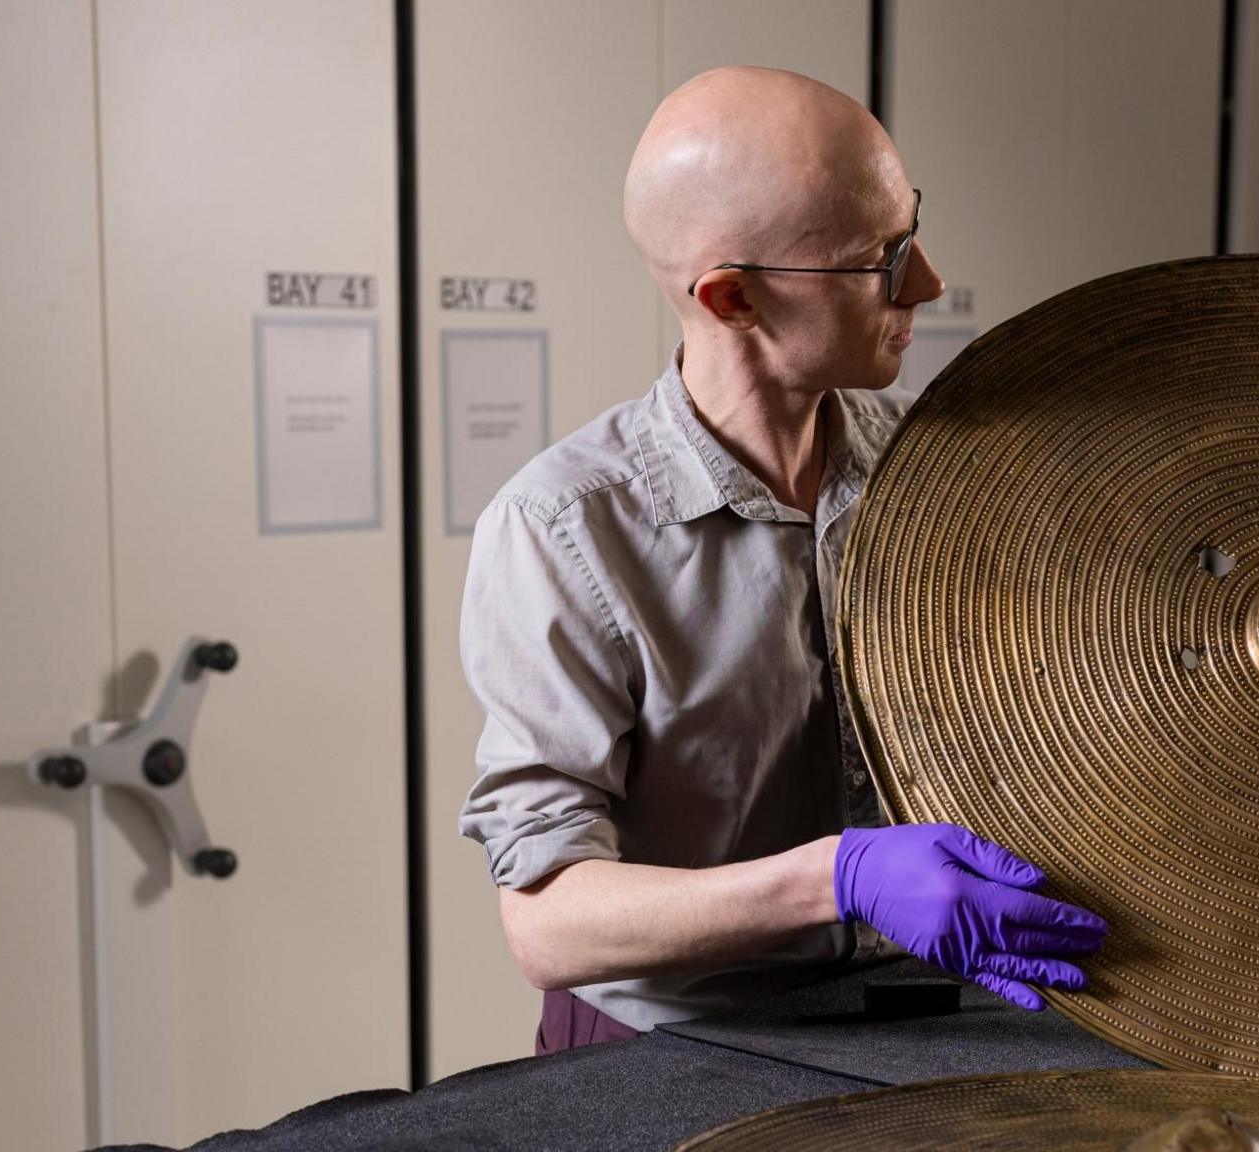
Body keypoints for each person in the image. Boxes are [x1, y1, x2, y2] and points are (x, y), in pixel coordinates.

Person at [458, 66, 1108, 1055]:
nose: (927, 285)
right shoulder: (563, 529)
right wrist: (836, 877)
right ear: (730, 297)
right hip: (681, 1047)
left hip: (933, 1027)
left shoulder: (940, 477)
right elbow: (548, 923)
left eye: (913, 232)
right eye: (880, 262)